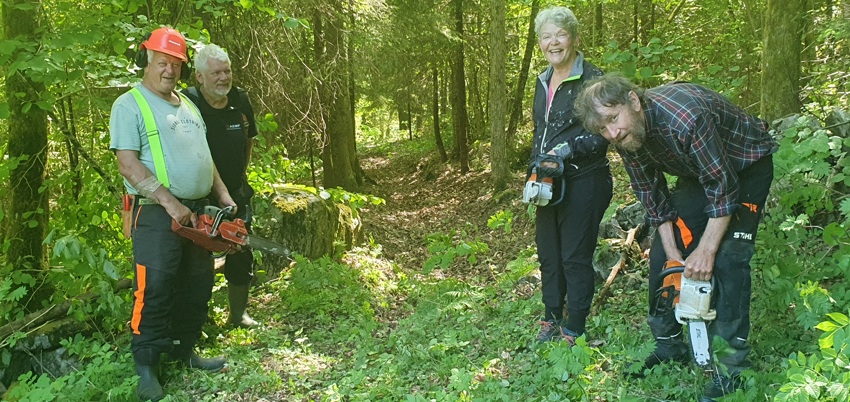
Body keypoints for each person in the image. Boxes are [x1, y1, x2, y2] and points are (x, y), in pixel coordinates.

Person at [573, 74, 777, 401]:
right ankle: (669, 345)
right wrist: (673, 254)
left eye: (613, 119)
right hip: (700, 173)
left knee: (728, 260)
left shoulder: (686, 119)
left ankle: (730, 371)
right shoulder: (627, 137)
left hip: (746, 166)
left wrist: (707, 250)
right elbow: (652, 196)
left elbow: (723, 189)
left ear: (634, 101)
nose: (612, 133)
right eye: (602, 129)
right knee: (663, 256)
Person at [109, 27, 235, 401]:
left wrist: (223, 194)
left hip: (196, 213)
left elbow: (205, 158)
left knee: (197, 284)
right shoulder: (129, 104)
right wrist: (170, 202)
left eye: (175, 64)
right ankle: (147, 366)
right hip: (155, 214)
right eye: (162, 63)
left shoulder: (189, 105)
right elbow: (127, 164)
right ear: (147, 61)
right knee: (155, 288)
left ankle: (184, 350)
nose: (169, 71)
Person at [527, 6, 613, 346]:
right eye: (546, 36)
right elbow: (540, 131)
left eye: (560, 35)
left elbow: (605, 131)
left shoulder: (593, 80)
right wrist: (534, 171)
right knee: (548, 254)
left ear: (575, 38)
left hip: (585, 180)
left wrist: (568, 151)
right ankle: (550, 317)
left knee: (574, 257)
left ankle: (574, 325)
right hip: (547, 183)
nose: (553, 42)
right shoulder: (543, 79)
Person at [183, 44, 260, 328]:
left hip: (236, 192)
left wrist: (238, 177)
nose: (223, 77)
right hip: (198, 197)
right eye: (216, 72)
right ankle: (196, 323)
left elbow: (249, 140)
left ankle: (238, 316)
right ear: (200, 77)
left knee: (241, 252)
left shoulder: (240, 101)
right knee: (196, 263)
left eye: (227, 71)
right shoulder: (187, 103)